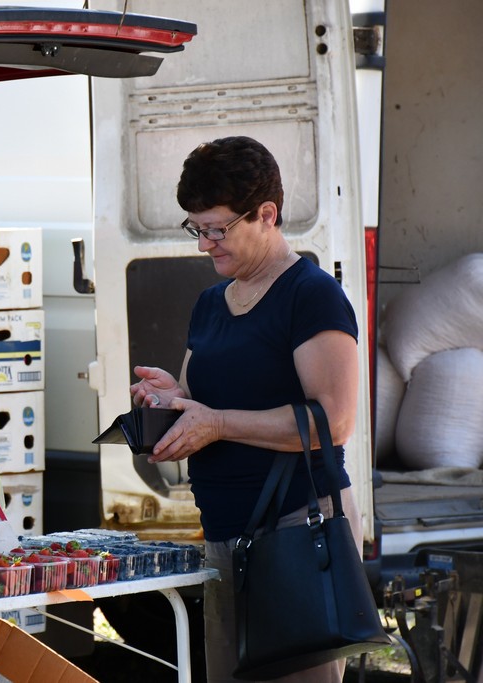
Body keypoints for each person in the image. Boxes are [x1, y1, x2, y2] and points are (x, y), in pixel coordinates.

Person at [129, 136, 360, 683]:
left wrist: (217, 423)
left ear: (266, 215)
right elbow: (199, 403)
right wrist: (171, 400)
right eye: (197, 228)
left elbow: (334, 419)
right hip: (224, 538)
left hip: (295, 536)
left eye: (217, 228)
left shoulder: (312, 295)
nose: (205, 244)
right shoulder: (211, 302)